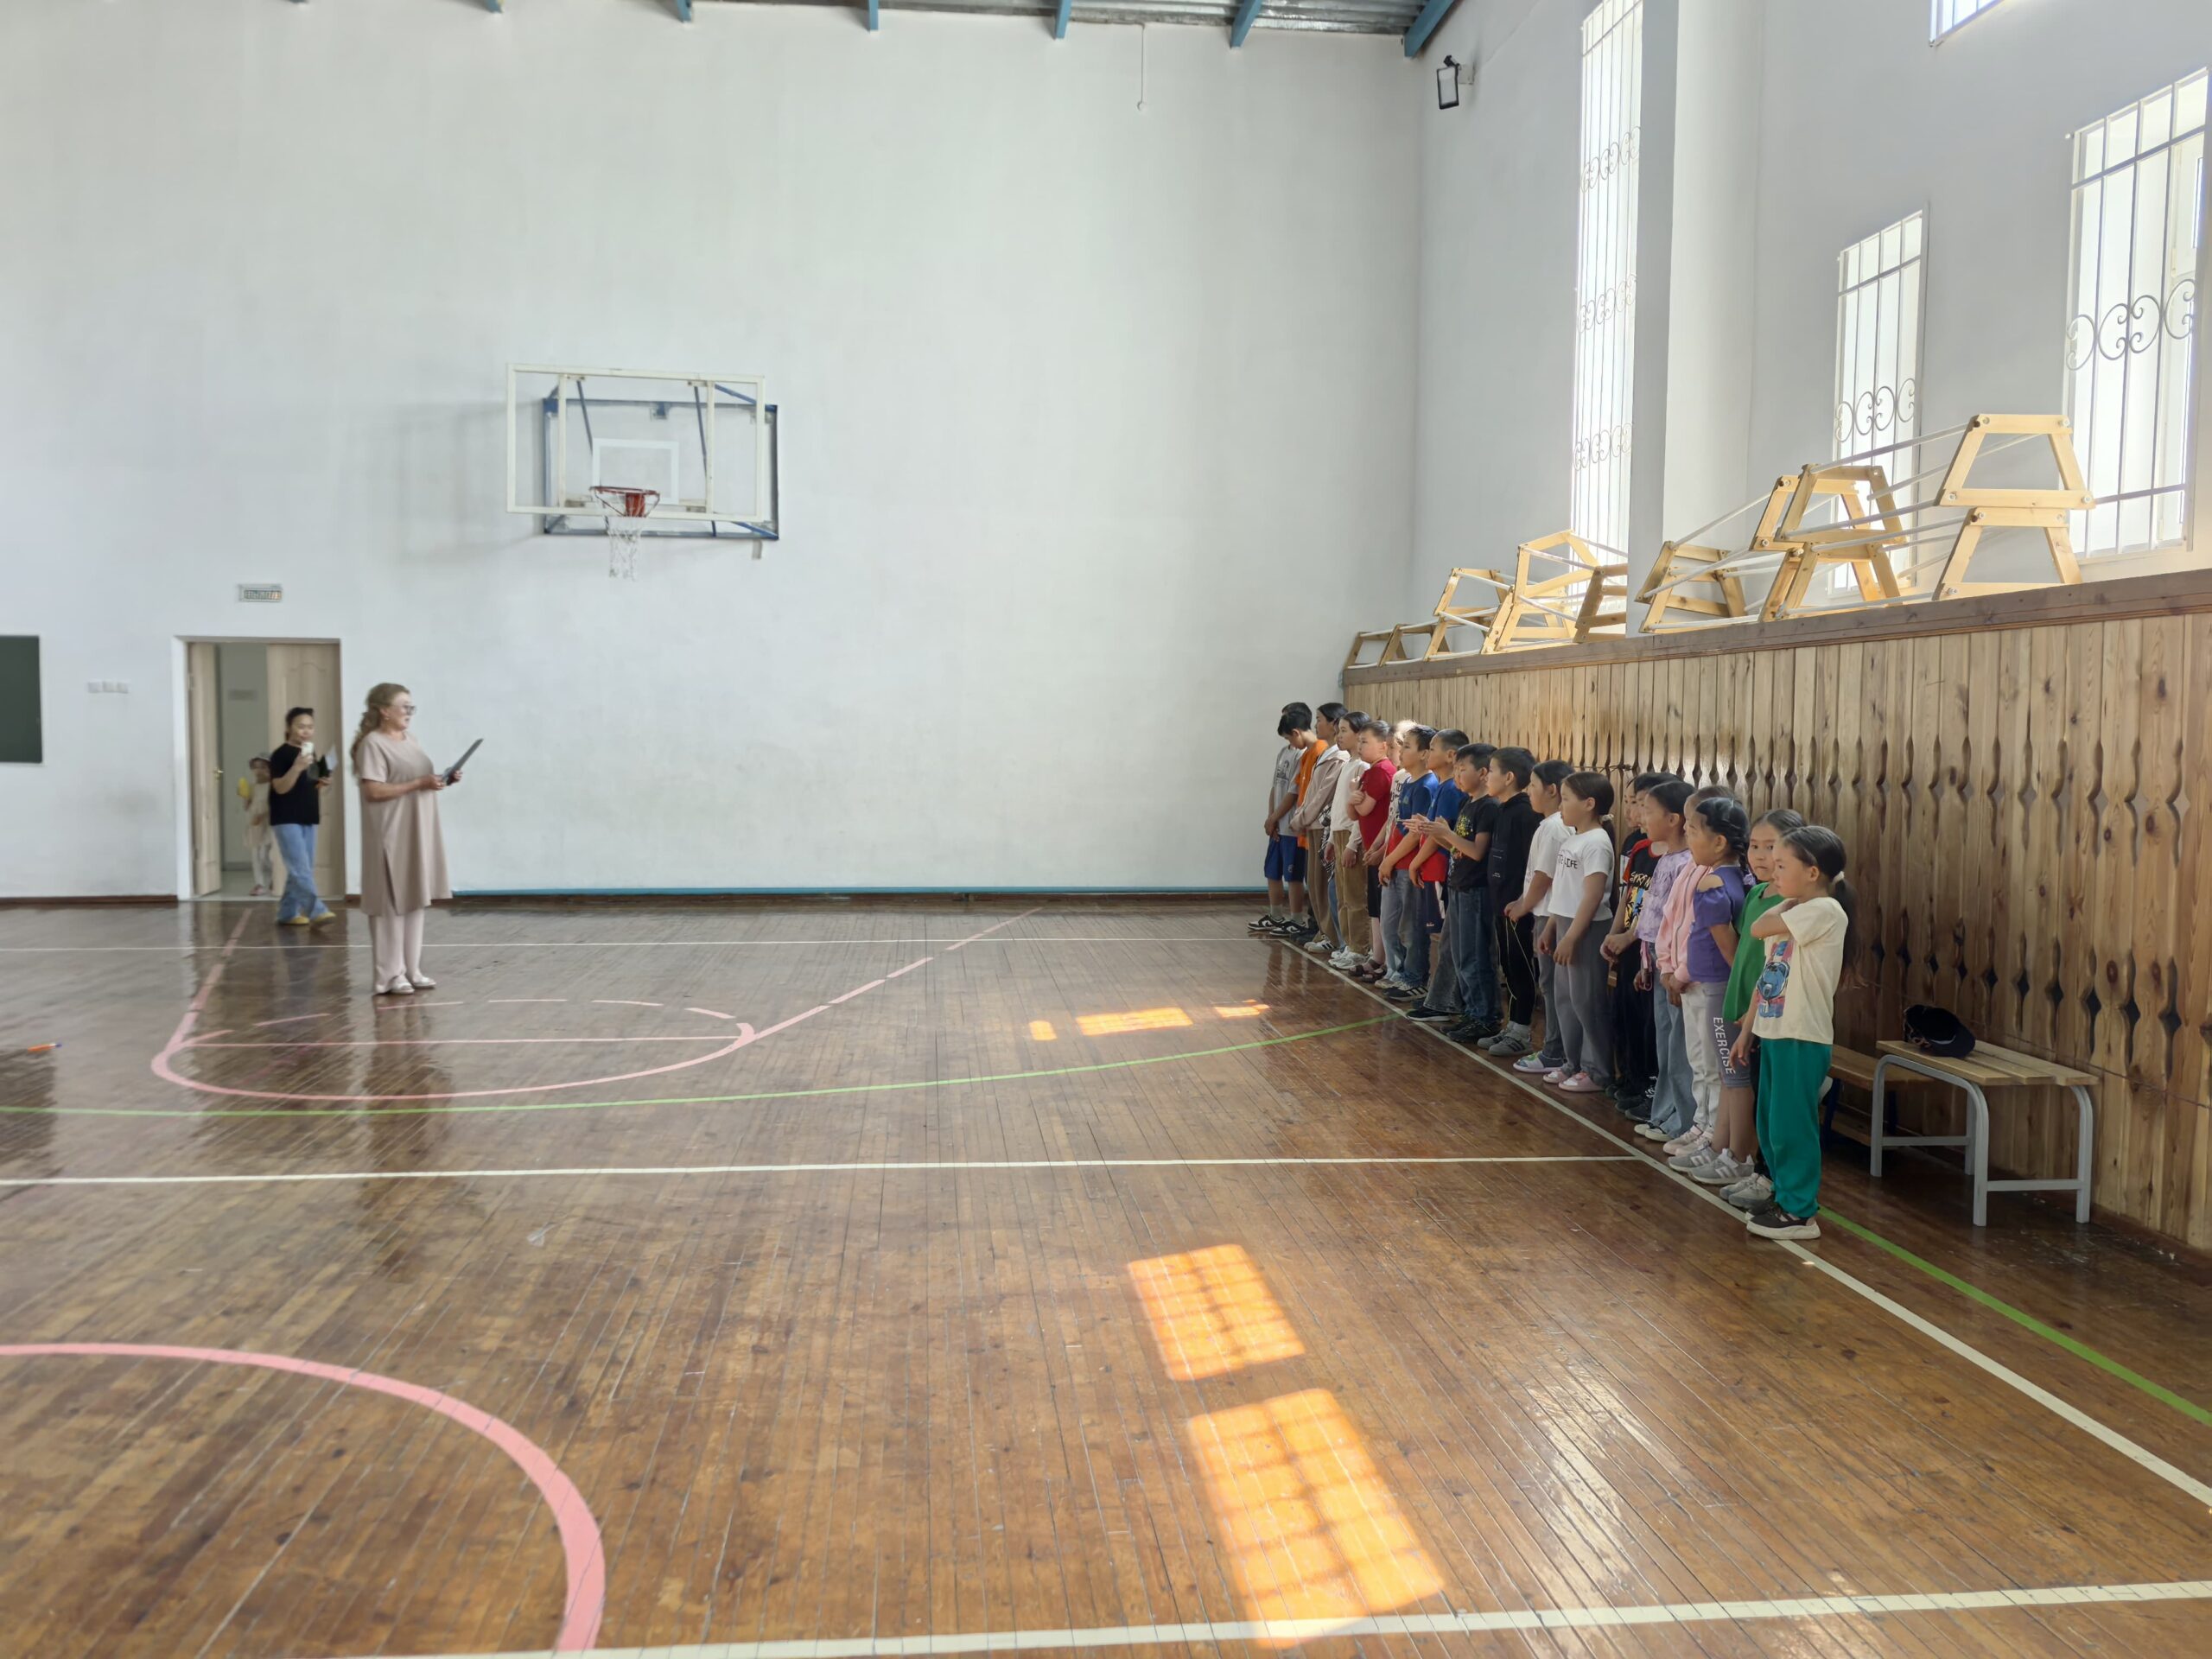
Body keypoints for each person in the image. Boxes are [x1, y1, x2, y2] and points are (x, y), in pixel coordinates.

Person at [1735, 825, 1858, 1241]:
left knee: (1792, 1124)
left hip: (1802, 1035)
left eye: (1783, 864)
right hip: (1776, 1029)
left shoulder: (1824, 909)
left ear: (1812, 872)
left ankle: (1800, 1212)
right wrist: (1748, 1030)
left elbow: (1758, 927)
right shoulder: (1796, 909)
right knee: (1771, 1121)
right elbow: (1769, 970)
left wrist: (1785, 902)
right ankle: (1784, 1195)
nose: (1774, 871)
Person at [1703, 808, 1805, 1207]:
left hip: (1768, 1016)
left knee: (1768, 1099)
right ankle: (1758, 1171)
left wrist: (1754, 1011)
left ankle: (1761, 1170)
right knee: (1759, 1097)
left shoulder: (1793, 905)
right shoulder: (1756, 895)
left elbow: (1778, 967)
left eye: (1771, 848)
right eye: (1755, 847)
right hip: (1744, 1008)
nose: (1760, 856)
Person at [352, 682, 460, 996]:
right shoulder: (372, 744)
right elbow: (373, 790)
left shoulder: (411, 740)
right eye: (405, 706)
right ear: (385, 711)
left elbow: (416, 780)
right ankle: (389, 975)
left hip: (417, 827)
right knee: (390, 903)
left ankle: (412, 970)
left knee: (414, 897)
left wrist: (443, 780)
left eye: (412, 707)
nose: (410, 712)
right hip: (390, 831)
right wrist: (418, 783)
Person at [1668, 798, 1751, 1179]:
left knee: (1722, 1071)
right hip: (1712, 986)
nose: (1687, 837)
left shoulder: (1713, 882)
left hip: (1717, 989)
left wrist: (1742, 994)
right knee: (1716, 1069)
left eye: (1692, 831)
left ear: (1719, 842)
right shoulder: (1727, 878)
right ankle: (1718, 1143)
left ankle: (1727, 1149)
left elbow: (1729, 949)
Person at [1537, 771, 1617, 1095]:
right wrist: (1553, 927)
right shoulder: (1573, 838)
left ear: (1589, 804)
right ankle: (1573, 1062)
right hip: (1566, 924)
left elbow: (1592, 896)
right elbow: (1564, 892)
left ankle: (1598, 1070)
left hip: (1586, 928)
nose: (1561, 806)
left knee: (1587, 1001)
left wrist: (1572, 937)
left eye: (1567, 799)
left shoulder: (1597, 842)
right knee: (1566, 999)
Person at [1599, 772, 1673, 1117]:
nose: (1637, 812)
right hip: (1629, 943)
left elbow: (1659, 910)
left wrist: (1630, 935)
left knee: (1650, 1022)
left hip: (1650, 946)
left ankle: (1650, 1087)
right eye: (1632, 804)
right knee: (1625, 1013)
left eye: (1643, 805)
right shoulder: (1640, 848)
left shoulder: (1674, 860)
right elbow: (1629, 894)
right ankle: (1631, 1078)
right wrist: (1615, 933)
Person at [1632, 779, 1695, 1141]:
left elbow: (1680, 925)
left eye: (1648, 810)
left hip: (1675, 967)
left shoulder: (1685, 863)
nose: (1641, 816)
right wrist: (1646, 962)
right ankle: (1665, 1113)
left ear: (1673, 819)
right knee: (1665, 1042)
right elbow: (1654, 918)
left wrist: (1670, 968)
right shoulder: (1667, 858)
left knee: (1679, 1047)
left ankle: (1683, 1120)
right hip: (1658, 961)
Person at [1506, 760, 1573, 1076]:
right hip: (1547, 913)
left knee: (1553, 986)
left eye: (1533, 785)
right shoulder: (1550, 824)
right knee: (1550, 984)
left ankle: (1555, 1051)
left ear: (1552, 790)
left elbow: (1545, 876)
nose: (1528, 791)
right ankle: (1556, 1049)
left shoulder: (1554, 827)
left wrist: (1523, 905)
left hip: (1551, 916)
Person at [1480, 748, 1541, 1058]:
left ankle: (1522, 1032)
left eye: (1491, 770)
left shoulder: (1526, 814)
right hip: (1502, 903)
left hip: (1519, 907)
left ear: (1509, 777)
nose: (1486, 776)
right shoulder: (1503, 809)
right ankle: (1512, 1025)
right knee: (1509, 966)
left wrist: (1523, 901)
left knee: (1520, 968)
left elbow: (1534, 866)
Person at [1332, 718, 1393, 970]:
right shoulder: (1369, 772)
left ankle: (1374, 955)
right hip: (1371, 846)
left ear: (1383, 746)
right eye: (1359, 741)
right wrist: (1353, 799)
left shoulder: (1381, 772)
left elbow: (1364, 809)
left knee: (1373, 905)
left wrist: (1355, 798)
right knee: (1372, 906)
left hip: (1379, 849)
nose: (1360, 746)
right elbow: (1355, 812)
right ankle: (1374, 956)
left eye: (1365, 742)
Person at [267, 707, 336, 926]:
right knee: (300, 868)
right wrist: (296, 768)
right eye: (301, 726)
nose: (306, 731)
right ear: (289, 728)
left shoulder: (310, 753)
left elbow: (308, 786)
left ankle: (287, 912)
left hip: (308, 815)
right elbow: (280, 787)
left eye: (310, 727)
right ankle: (316, 910)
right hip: (286, 817)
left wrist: (322, 782)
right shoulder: (280, 754)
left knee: (301, 868)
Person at [1293, 705, 1349, 953]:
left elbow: (1322, 796)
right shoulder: (1327, 753)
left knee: (1324, 885)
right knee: (1315, 884)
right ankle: (1325, 931)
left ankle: (1333, 935)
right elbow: (1311, 792)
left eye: (1320, 720)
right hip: (1313, 823)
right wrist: (1303, 817)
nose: (1316, 725)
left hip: (1323, 824)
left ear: (1334, 723)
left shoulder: (1339, 757)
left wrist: (1301, 818)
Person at [1254, 707, 1314, 935]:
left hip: (1291, 827)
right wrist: (1271, 819)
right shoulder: (1283, 752)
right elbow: (1275, 786)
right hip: (1277, 825)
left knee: (1293, 875)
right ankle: (1276, 915)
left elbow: (1293, 793)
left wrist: (1277, 817)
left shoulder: (1303, 755)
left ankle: (1297, 918)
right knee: (1272, 871)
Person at [238, 755, 276, 896]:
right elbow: (247, 806)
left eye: (263, 767)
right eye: (255, 768)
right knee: (255, 855)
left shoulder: (272, 786)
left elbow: (273, 805)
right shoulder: (253, 786)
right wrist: (245, 799)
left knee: (266, 855)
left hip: (267, 822)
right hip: (254, 824)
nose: (259, 771)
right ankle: (259, 883)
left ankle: (274, 879)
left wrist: (263, 816)